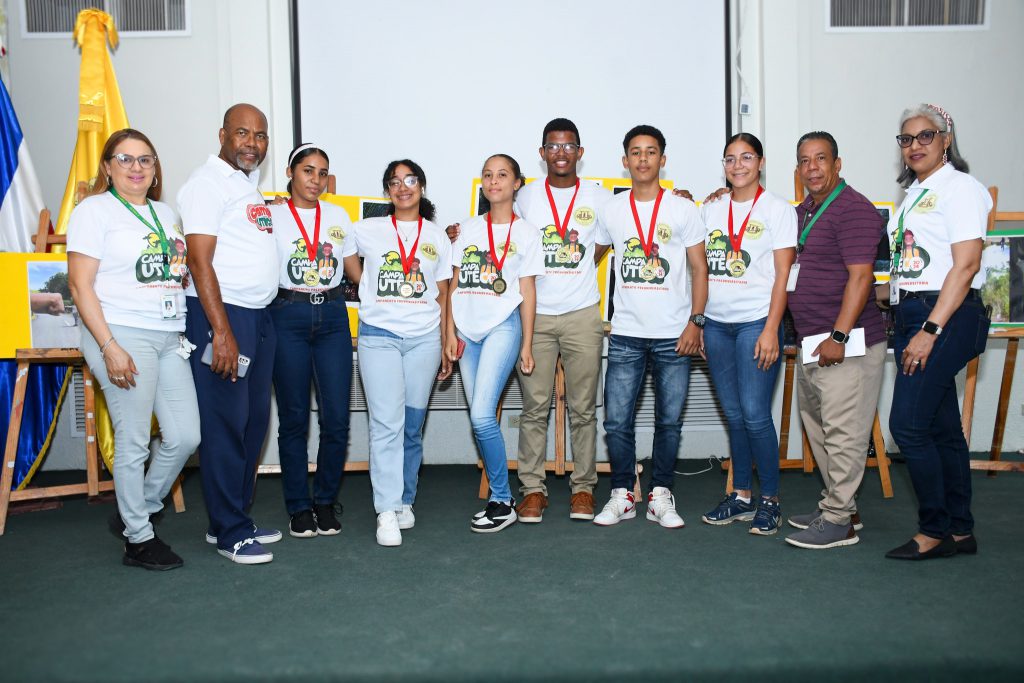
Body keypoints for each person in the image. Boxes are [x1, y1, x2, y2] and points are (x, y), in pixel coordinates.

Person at [68, 128, 199, 570]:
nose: (136, 167)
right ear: (107, 167)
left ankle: (136, 509)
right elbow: (79, 285)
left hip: (169, 334)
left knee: (186, 435)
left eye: (145, 159)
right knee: (134, 439)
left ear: (155, 167)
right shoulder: (94, 210)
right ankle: (139, 539)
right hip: (120, 333)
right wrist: (109, 346)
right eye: (124, 159)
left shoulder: (166, 213)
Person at [884, 104, 991, 560]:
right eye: (906, 138)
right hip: (915, 310)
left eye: (925, 136)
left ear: (946, 139)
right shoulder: (916, 192)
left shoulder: (960, 188)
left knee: (907, 426)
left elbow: (966, 265)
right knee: (943, 428)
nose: (915, 145)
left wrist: (930, 329)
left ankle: (934, 530)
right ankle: (960, 530)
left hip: (943, 314)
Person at [178, 103, 280, 565]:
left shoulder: (244, 185)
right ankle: (231, 534)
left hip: (257, 316)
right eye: (242, 133)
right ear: (222, 135)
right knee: (224, 422)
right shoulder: (206, 183)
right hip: (222, 316)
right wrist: (220, 331)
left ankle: (231, 517)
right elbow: (199, 261)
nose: (252, 143)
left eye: (260, 136)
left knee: (253, 421)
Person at [592, 124, 708, 529]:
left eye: (651, 151)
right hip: (625, 332)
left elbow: (699, 268)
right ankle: (623, 494)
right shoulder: (612, 209)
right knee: (615, 422)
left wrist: (696, 322)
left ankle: (660, 494)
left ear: (663, 159)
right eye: (636, 152)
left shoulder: (683, 209)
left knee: (669, 422)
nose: (643, 159)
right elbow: (587, 257)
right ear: (625, 161)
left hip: (674, 334)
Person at [784, 131, 886, 550]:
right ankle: (840, 507)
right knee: (820, 429)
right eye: (804, 161)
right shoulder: (803, 211)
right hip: (812, 341)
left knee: (844, 433)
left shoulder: (855, 210)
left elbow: (861, 278)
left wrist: (838, 335)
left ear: (837, 164)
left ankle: (838, 521)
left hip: (847, 342)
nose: (812, 168)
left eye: (821, 159)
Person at [506, 118, 611, 523]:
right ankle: (533, 490)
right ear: (542, 153)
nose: (561, 153)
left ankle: (583, 489)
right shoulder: (525, 196)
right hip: (535, 315)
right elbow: (500, 232)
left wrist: (576, 266)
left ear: (580, 152)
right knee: (535, 408)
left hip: (582, 314)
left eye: (569, 146)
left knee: (583, 409)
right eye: (553, 146)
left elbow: (603, 244)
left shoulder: (599, 197)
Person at [351, 159, 453, 546]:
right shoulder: (367, 229)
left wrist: (446, 339)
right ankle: (386, 509)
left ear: (421, 186)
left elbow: (443, 293)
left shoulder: (437, 236)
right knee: (386, 424)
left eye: (410, 180)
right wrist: (366, 285)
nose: (403, 187)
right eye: (394, 182)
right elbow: (341, 249)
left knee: (411, 425)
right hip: (379, 337)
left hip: (424, 339)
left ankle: (405, 499)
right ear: (387, 191)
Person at [699, 133, 797, 535]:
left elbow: (783, 276)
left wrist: (772, 329)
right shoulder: (711, 209)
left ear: (761, 162)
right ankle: (741, 496)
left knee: (756, 415)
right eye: (730, 159)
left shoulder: (778, 210)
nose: (737, 165)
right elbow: (697, 266)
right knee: (735, 415)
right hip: (716, 325)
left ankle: (770, 500)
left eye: (746, 157)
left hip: (757, 322)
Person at [447, 154, 544, 533]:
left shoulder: (528, 233)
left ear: (517, 183)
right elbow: (454, 285)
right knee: (480, 416)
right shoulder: (467, 229)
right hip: (466, 331)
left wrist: (527, 344)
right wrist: (449, 333)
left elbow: (528, 291)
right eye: (488, 175)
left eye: (502, 175)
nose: (494, 181)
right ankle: (500, 499)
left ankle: (502, 500)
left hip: (503, 326)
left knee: (482, 416)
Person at [267, 143, 354, 539]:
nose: (315, 180)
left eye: (322, 173)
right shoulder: (270, 216)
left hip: (333, 317)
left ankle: (324, 501)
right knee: (294, 418)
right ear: (290, 172)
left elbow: (354, 269)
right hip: (288, 315)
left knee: (336, 418)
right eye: (307, 170)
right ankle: (299, 506)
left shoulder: (338, 216)